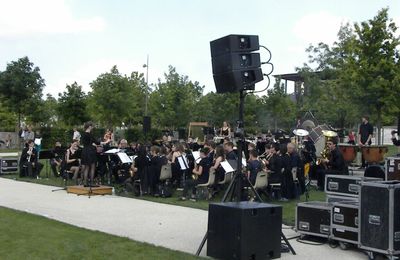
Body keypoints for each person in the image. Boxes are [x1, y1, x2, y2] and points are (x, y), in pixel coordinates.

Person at [80, 122, 102, 186]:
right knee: (92, 167)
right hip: (90, 151)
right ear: (89, 126)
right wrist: (105, 142)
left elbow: (85, 143)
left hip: (84, 151)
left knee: (86, 167)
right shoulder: (90, 135)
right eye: (92, 127)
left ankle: (85, 182)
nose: (92, 128)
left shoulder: (83, 134)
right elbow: (97, 142)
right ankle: (92, 182)